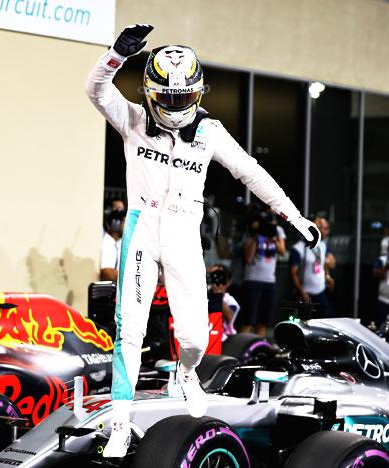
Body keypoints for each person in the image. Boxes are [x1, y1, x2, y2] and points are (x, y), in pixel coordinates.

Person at [86, 24, 320, 456]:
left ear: (197, 92)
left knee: (194, 337)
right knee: (130, 330)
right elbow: (96, 89)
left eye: (184, 97)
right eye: (169, 97)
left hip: (183, 231)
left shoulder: (210, 132)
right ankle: (120, 421)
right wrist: (116, 55)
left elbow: (251, 172)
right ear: (152, 92)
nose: (176, 105)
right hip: (141, 226)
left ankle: (187, 372)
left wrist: (292, 214)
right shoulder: (133, 118)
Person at [240, 208, 286, 337]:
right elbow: (248, 258)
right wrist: (256, 236)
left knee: (263, 321)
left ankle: (259, 349)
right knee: (248, 320)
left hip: (269, 281)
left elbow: (283, 251)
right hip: (252, 280)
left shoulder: (278, 230)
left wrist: (274, 238)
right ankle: (240, 349)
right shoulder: (251, 232)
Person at [289, 216, 336, 317]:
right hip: (305, 293)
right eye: (317, 227)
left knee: (323, 322)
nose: (320, 230)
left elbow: (327, 263)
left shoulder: (322, 245)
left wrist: (327, 275)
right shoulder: (298, 248)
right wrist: (302, 292)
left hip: (320, 291)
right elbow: (293, 274)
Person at [206, 264, 240, 341]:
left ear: (228, 282)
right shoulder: (203, 294)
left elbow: (229, 315)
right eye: (212, 275)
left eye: (219, 276)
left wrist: (217, 294)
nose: (215, 279)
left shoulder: (230, 301)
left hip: (222, 339)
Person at [100, 209, 126, 281]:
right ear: (115, 224)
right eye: (126, 222)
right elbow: (107, 273)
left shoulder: (120, 242)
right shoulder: (106, 242)